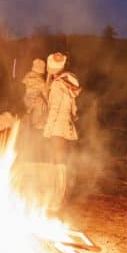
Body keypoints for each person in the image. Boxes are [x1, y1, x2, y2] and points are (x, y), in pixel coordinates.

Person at [43, 51, 81, 210]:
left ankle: (56, 200)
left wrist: (48, 129)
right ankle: (60, 197)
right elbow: (74, 110)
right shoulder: (68, 84)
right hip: (65, 129)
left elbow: (54, 109)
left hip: (57, 129)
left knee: (57, 163)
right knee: (61, 163)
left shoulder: (58, 85)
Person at [20, 57, 48, 158]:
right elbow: (47, 97)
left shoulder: (27, 78)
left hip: (27, 108)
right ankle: (35, 153)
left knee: (27, 133)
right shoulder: (41, 82)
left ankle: (27, 153)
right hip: (37, 110)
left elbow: (23, 94)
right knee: (37, 131)